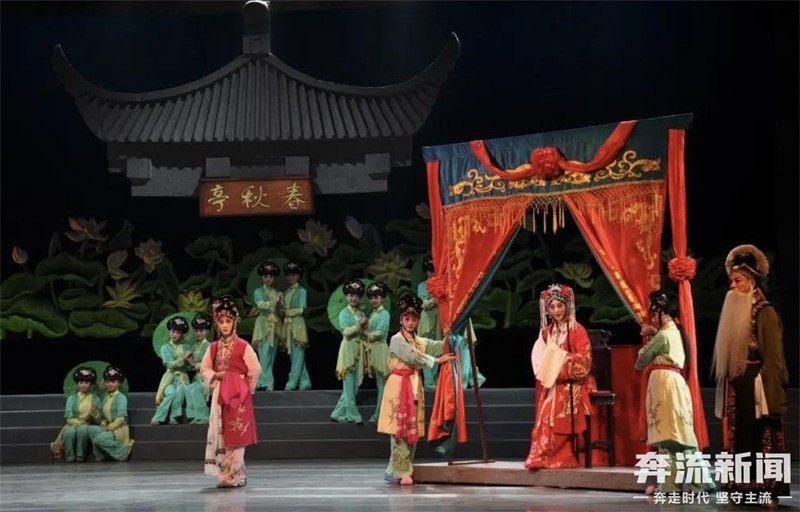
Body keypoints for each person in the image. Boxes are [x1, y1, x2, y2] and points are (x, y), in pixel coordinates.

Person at [711, 244, 789, 505]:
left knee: (761, 436)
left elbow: (774, 357)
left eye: (738, 281)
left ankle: (768, 489)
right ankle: (740, 488)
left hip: (757, 383)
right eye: (732, 281)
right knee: (738, 435)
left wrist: (767, 388)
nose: (732, 286)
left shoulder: (765, 312)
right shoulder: (736, 310)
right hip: (737, 385)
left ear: (752, 282)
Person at [636, 291, 715, 495]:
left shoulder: (662, 335)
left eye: (654, 314)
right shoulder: (675, 332)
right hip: (673, 383)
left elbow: (641, 361)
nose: (653, 319)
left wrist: (649, 335)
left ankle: (678, 484)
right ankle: (686, 484)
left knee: (670, 437)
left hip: (665, 385)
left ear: (662, 313)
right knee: (678, 437)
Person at [378, 294, 455, 485]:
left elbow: (436, 346)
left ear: (418, 321)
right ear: (401, 320)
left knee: (411, 430)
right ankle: (401, 471)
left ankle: (397, 469)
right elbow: (413, 357)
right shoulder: (396, 340)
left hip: (413, 384)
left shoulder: (417, 340)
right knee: (400, 431)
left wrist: (450, 336)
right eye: (407, 319)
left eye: (414, 319)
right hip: (399, 386)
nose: (410, 322)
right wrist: (437, 361)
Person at [524, 283, 595, 470]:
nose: (556, 310)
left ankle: (558, 456)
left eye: (560, 305)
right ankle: (541, 454)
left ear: (567, 305)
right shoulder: (547, 332)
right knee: (545, 412)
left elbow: (584, 362)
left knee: (554, 408)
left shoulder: (578, 330)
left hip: (575, 381)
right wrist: (548, 365)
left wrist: (558, 358)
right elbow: (540, 359)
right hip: (553, 382)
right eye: (552, 307)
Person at [200, 296, 262, 488]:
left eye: (228, 321)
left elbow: (255, 369)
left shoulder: (243, 346)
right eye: (221, 322)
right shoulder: (213, 347)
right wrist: (216, 375)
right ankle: (239, 474)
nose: (225, 325)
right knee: (223, 434)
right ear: (217, 324)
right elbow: (204, 368)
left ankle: (230, 476)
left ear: (235, 322)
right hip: (220, 392)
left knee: (236, 434)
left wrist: (246, 388)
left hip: (237, 394)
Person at [330, 278, 368, 424]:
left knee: (355, 384)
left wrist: (366, 328)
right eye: (351, 295)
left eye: (357, 295)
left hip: (359, 349)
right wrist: (359, 326)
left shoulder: (361, 313)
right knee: (349, 383)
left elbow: (363, 333)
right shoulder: (344, 313)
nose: (353, 298)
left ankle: (338, 412)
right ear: (346, 296)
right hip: (348, 349)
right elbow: (346, 332)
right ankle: (353, 414)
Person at [50, 367, 102, 462]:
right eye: (81, 382)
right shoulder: (72, 398)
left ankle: (80, 455)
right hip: (73, 424)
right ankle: (70, 456)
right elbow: (68, 417)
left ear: (91, 384)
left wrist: (94, 413)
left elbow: (99, 420)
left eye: (86, 383)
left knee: (82, 430)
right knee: (69, 432)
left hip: (86, 424)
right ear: (78, 384)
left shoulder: (95, 399)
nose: (83, 385)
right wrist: (79, 423)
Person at [151, 316, 194, 424]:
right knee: (171, 393)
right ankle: (158, 417)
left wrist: (190, 363)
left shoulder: (187, 347)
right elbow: (170, 365)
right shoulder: (165, 348)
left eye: (178, 332)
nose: (174, 334)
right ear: (169, 332)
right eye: (173, 331)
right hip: (169, 377)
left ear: (182, 334)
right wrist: (183, 359)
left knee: (180, 391)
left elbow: (188, 368)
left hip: (182, 377)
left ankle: (174, 416)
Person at [88, 365, 134, 461]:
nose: (110, 384)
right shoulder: (106, 397)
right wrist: (94, 413)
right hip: (109, 426)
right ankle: (102, 455)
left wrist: (110, 427)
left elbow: (121, 418)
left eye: (113, 382)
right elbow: (102, 418)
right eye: (108, 382)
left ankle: (122, 452)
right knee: (91, 429)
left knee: (98, 439)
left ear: (119, 383)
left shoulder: (121, 397)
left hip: (118, 428)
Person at [252, 261, 283, 391]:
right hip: (263, 324)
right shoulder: (258, 291)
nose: (268, 279)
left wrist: (280, 303)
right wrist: (273, 301)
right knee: (263, 353)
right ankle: (269, 381)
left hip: (275, 324)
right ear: (262, 277)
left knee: (271, 354)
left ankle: (261, 381)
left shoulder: (277, 292)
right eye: (266, 276)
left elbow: (280, 311)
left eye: (271, 276)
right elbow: (260, 305)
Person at [281, 261, 312, 391]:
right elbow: (282, 309)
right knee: (294, 355)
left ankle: (292, 382)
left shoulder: (301, 291)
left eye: (293, 275)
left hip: (297, 324)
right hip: (288, 325)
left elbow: (301, 309)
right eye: (289, 275)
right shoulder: (285, 292)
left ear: (298, 276)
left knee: (298, 353)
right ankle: (305, 382)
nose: (291, 277)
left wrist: (287, 312)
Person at [364, 281, 391, 423]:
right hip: (373, 350)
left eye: (376, 297)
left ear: (382, 298)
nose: (373, 300)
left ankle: (379, 414)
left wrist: (366, 333)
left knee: (382, 384)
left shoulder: (384, 313)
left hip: (380, 349)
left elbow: (380, 333)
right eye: (371, 298)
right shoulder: (372, 314)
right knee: (379, 384)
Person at [418, 256, 442, 390]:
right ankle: (428, 381)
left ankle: (434, 379)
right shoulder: (422, 286)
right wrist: (435, 298)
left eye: (434, 270)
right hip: (427, 320)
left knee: (438, 349)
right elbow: (424, 304)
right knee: (426, 350)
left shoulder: (441, 284)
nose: (432, 273)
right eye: (429, 270)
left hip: (438, 320)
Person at [185, 313, 213, 424]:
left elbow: (209, 365)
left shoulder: (209, 346)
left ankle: (203, 416)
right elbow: (191, 367)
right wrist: (187, 361)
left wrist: (194, 364)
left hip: (207, 378)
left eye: (201, 331)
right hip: (197, 377)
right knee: (188, 388)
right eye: (196, 330)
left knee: (195, 390)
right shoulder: (194, 346)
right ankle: (193, 415)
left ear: (207, 331)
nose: (198, 333)